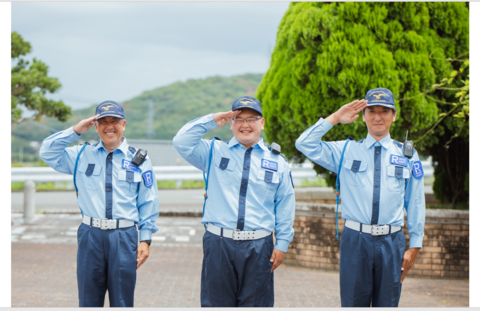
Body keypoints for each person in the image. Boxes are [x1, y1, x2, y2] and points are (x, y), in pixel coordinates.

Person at [295, 88, 425, 307]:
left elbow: (416, 202)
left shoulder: (407, 155)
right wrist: (335, 118)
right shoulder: (345, 150)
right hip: (356, 240)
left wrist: (415, 245)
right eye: (371, 111)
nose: (377, 117)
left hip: (391, 241)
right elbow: (304, 143)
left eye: (384, 111)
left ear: (394, 115)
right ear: (363, 116)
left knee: (388, 304)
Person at [173, 96, 295, 307]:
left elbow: (285, 204)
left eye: (252, 119)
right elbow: (181, 141)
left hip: (259, 246)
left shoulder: (277, 162)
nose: (245, 125)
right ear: (230, 123)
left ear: (262, 122)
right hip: (219, 243)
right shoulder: (212, 152)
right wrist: (212, 120)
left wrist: (282, 243)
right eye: (238, 119)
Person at [39, 100, 159, 307]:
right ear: (95, 126)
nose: (109, 126)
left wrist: (145, 239)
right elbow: (47, 152)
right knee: (88, 300)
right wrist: (76, 130)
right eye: (103, 121)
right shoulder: (80, 155)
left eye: (115, 121)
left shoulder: (138, 159)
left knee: (122, 301)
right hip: (90, 235)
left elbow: (148, 201)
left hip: (124, 236)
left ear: (124, 124)